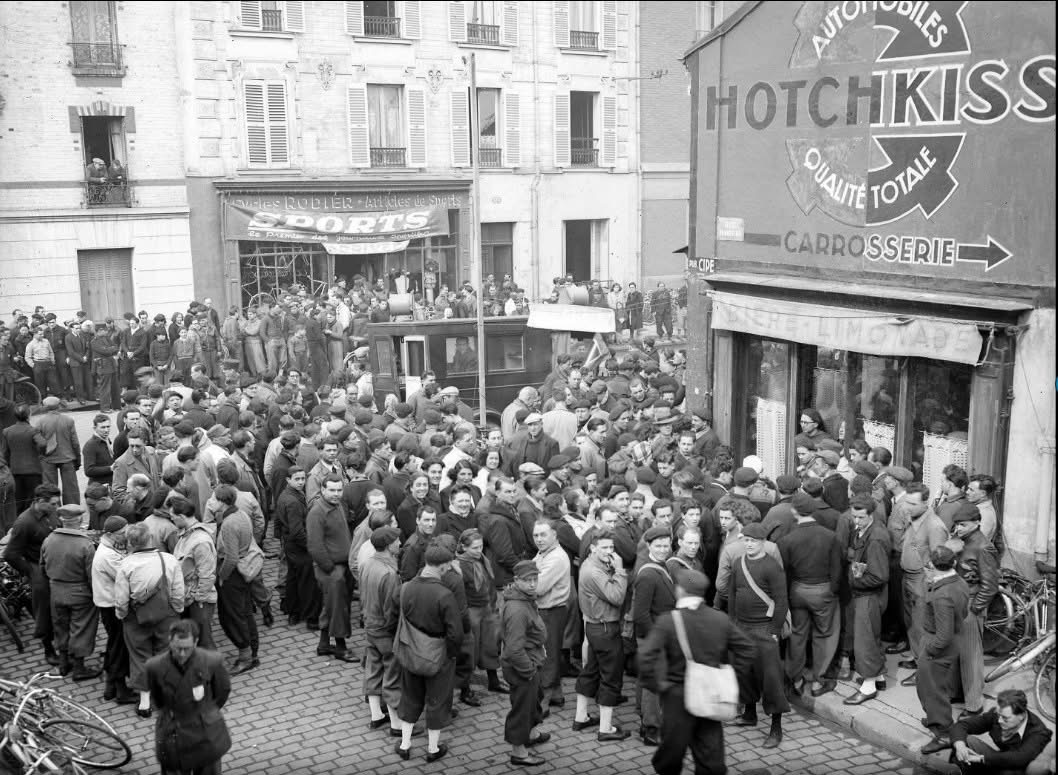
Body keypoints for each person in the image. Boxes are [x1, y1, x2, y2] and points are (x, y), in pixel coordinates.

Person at [638, 568, 757, 775]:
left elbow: (645, 656)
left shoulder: (668, 620)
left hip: (677, 696)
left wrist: (657, 685)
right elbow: (748, 649)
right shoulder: (720, 619)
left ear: (680, 591)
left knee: (671, 754)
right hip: (711, 693)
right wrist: (731, 676)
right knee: (710, 756)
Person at [394, 542, 464, 763]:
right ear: (442, 566)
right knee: (437, 700)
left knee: (410, 696)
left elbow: (394, 613)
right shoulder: (444, 594)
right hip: (438, 654)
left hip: (410, 651)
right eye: (448, 566)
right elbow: (456, 633)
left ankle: (405, 745)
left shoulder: (406, 587)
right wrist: (451, 654)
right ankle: (432, 749)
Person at [114, 522, 185, 718]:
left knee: (139, 657)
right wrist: (177, 610)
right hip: (166, 616)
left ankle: (144, 703)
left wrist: (122, 615)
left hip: (136, 619)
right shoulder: (169, 560)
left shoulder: (126, 565)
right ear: (150, 539)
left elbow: (121, 599)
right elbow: (178, 591)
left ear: (130, 542)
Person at [729, 521, 789, 747]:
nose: (749, 544)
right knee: (744, 672)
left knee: (771, 679)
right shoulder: (738, 563)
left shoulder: (772, 567)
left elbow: (781, 601)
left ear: (763, 542)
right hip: (741, 627)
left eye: (753, 541)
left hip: (764, 629)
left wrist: (774, 630)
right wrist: (732, 624)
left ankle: (776, 728)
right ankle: (749, 713)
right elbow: (732, 594)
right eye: (746, 540)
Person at [777, 491, 842, 699]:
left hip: (797, 590)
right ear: (813, 509)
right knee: (825, 635)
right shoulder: (830, 536)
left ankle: (795, 679)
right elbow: (837, 570)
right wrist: (832, 590)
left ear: (794, 511)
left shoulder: (786, 540)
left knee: (797, 635)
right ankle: (818, 681)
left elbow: (784, 572)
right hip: (823, 590)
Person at [146, 619, 233, 775]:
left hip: (205, 734)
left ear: (196, 642)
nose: (182, 654)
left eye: (187, 649)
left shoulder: (211, 661)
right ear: (170, 641)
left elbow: (222, 691)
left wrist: (205, 711)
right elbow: (158, 699)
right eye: (177, 648)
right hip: (173, 735)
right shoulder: (155, 667)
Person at [573, 528, 630, 742]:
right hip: (605, 629)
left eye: (611, 547)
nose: (609, 551)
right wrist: (620, 570)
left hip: (595, 627)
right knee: (611, 677)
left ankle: (581, 717)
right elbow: (617, 597)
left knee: (590, 671)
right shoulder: (594, 572)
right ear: (592, 548)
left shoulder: (591, 564)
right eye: (604, 547)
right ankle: (605, 729)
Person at [918, 546, 972, 755]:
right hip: (953, 639)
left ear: (933, 565)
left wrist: (930, 650)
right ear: (953, 563)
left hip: (938, 644)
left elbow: (943, 635)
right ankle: (935, 718)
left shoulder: (942, 595)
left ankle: (943, 732)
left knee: (931, 690)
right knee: (933, 686)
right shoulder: (959, 582)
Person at [40, 504, 101, 680]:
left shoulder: (48, 540)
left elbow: (42, 567)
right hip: (80, 594)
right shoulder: (85, 544)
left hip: (56, 591)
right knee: (81, 628)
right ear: (80, 520)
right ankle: (79, 668)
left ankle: (63, 663)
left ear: (61, 520)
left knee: (60, 626)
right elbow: (91, 575)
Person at [3, 483, 62, 665]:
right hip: (38, 568)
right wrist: (31, 571)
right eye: (53, 503)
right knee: (44, 609)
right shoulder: (24, 522)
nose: (56, 507)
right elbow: (10, 554)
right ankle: (48, 648)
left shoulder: (50, 513)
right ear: (39, 501)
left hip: (55, 565)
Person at [842, 494, 892, 705]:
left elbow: (879, 576)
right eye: (854, 516)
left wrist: (854, 582)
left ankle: (868, 686)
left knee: (865, 641)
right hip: (866, 594)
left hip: (869, 595)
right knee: (871, 636)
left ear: (871, 515)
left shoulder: (876, 538)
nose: (856, 521)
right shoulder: (864, 530)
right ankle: (878, 677)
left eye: (861, 517)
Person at [501, 559, 550, 768]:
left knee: (533, 701)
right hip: (522, 666)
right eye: (527, 580)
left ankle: (531, 734)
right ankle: (519, 753)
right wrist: (529, 671)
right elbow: (514, 649)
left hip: (531, 660)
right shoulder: (517, 609)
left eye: (535, 579)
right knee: (522, 709)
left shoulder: (525, 599)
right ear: (516, 580)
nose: (532, 584)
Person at [952, 502, 998, 718]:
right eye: (957, 524)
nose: (958, 528)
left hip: (971, 605)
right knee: (958, 653)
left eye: (963, 524)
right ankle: (959, 693)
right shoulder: (964, 542)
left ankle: (974, 705)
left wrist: (975, 609)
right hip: (959, 601)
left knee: (971, 656)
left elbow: (990, 586)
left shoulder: (983, 547)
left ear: (977, 522)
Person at [360, 526, 403, 734]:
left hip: (370, 624)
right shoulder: (389, 573)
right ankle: (396, 724)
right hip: (385, 630)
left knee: (373, 668)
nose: (400, 543)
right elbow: (391, 609)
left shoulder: (367, 563)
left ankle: (376, 715)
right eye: (396, 541)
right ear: (388, 545)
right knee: (392, 673)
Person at [307, 475, 355, 662]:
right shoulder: (317, 512)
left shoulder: (338, 505)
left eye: (339, 490)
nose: (336, 494)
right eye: (332, 490)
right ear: (323, 490)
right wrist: (330, 569)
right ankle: (341, 648)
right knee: (338, 609)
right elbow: (315, 546)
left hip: (343, 566)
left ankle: (324, 645)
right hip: (331, 569)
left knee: (330, 607)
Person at [213, 484, 259, 673]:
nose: (212, 502)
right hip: (243, 570)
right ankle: (252, 651)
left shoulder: (229, 523)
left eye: (214, 498)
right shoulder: (242, 514)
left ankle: (245, 657)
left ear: (221, 502)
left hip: (232, 574)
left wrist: (221, 576)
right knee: (246, 612)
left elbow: (231, 557)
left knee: (233, 616)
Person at [92, 514, 137, 704]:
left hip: (109, 603)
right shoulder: (107, 555)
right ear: (110, 534)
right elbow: (126, 576)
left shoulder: (110, 547)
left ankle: (110, 686)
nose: (126, 535)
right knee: (119, 647)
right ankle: (121, 691)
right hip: (112, 606)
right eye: (122, 533)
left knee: (113, 645)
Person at [171, 496, 218, 651]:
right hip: (189, 597)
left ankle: (213, 666)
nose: (172, 520)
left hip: (198, 601)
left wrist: (199, 598)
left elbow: (207, 574)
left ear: (181, 516)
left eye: (173, 517)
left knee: (204, 642)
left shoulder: (200, 541)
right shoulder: (186, 535)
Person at [0, 403, 46, 515]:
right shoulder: (32, 430)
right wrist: (40, 454)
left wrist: (9, 464)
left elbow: (4, 452)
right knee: (33, 499)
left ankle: (20, 520)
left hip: (15, 471)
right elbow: (42, 443)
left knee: (18, 501)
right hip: (33, 471)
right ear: (29, 415)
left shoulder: (7, 431)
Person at [35, 396, 81, 505]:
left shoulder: (40, 422)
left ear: (45, 407)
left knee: (50, 489)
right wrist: (78, 459)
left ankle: (53, 509)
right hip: (67, 458)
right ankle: (72, 509)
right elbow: (75, 443)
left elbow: (38, 443)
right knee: (71, 488)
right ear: (58, 406)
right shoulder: (68, 420)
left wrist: (41, 456)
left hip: (48, 459)